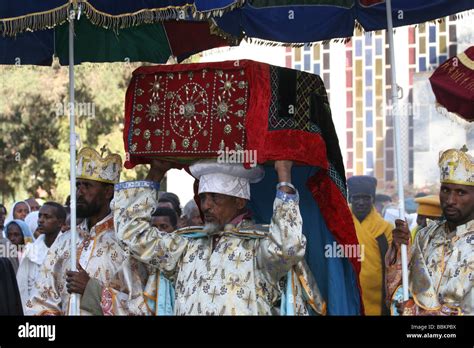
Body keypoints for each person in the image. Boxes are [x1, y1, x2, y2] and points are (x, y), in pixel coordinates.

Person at [113, 158, 311, 315]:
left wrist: (284, 176)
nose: (206, 205)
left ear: (240, 202)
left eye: (215, 197)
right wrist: (155, 173)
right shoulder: (185, 247)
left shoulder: (259, 249)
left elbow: (288, 247)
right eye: (203, 197)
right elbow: (131, 236)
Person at [25, 147, 148, 315]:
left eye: (87, 186)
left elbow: (140, 306)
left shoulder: (126, 242)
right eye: (78, 185)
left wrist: (92, 290)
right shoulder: (65, 240)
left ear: (107, 192)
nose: (79, 192)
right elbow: (41, 298)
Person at [387, 147, 474, 315]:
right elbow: (400, 291)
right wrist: (399, 250)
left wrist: (419, 312)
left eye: (461, 192)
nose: (450, 200)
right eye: (445, 190)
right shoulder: (425, 236)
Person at [348, 175, 393, 315]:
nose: (361, 202)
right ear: (350, 199)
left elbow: (393, 265)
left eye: (366, 198)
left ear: (373, 199)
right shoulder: (341, 224)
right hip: (348, 295)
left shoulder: (385, 229)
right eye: (356, 197)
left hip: (378, 301)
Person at [16, 202, 66, 310]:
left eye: (47, 217)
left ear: (60, 222)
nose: (40, 220)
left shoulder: (68, 251)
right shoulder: (31, 251)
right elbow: (22, 286)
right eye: (40, 216)